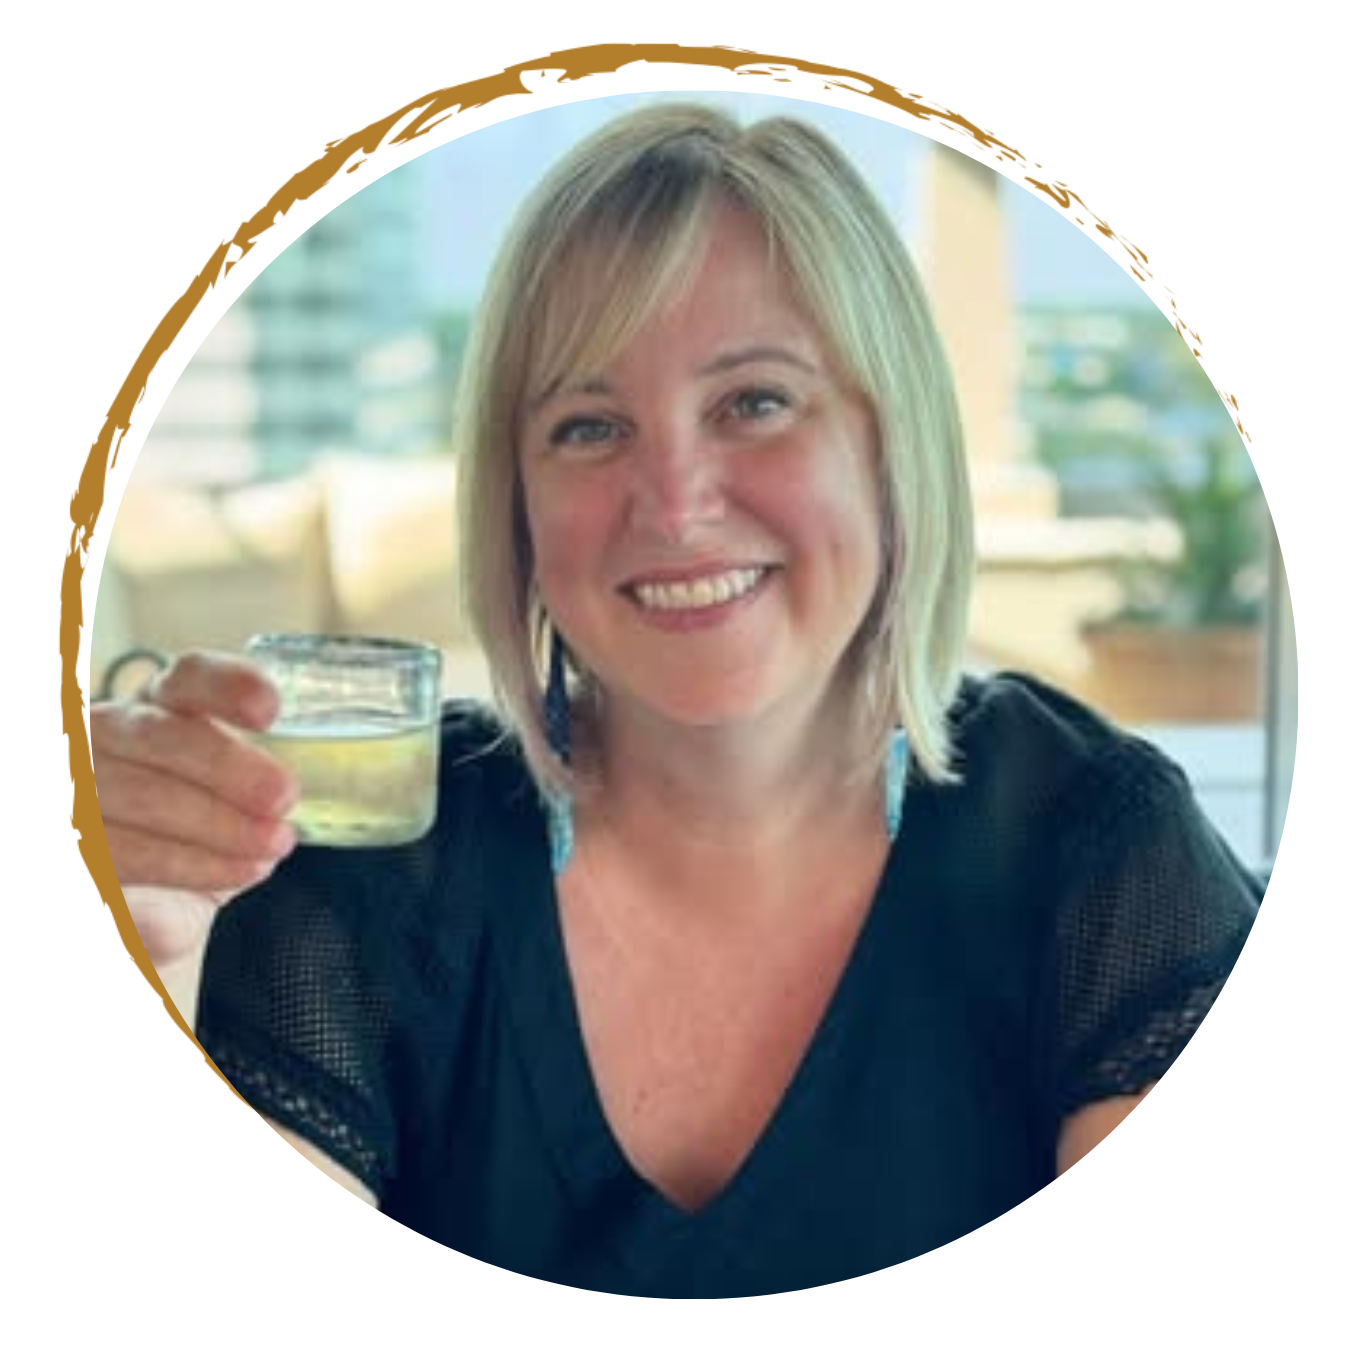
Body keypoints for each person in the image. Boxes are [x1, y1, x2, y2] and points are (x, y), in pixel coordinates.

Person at [91, 103, 1260, 1296]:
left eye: (754, 401)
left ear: (889, 444)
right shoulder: (374, 862)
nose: (675, 501)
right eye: (589, 426)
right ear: (516, 506)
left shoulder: (1095, 848)